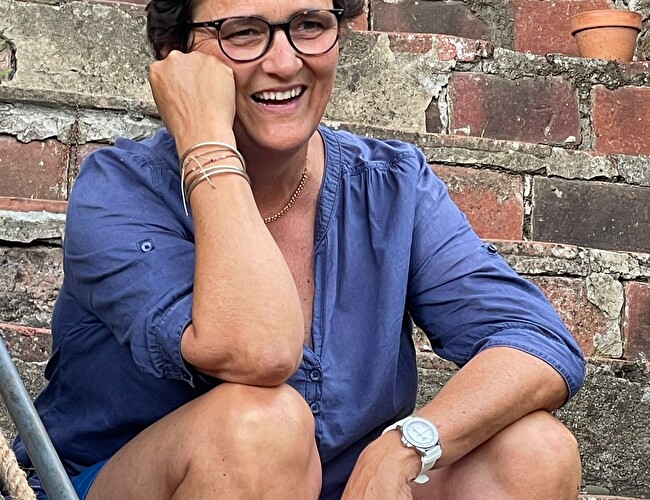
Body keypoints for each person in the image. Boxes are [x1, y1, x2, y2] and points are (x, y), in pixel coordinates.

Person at [14, 0, 586, 498]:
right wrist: (206, 142)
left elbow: (537, 342)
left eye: (309, 24)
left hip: (335, 486)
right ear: (176, 53)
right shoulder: (118, 191)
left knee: (534, 450)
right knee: (259, 427)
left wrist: (407, 446)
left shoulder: (390, 186)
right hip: (125, 481)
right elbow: (259, 350)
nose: (286, 63)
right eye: (242, 32)